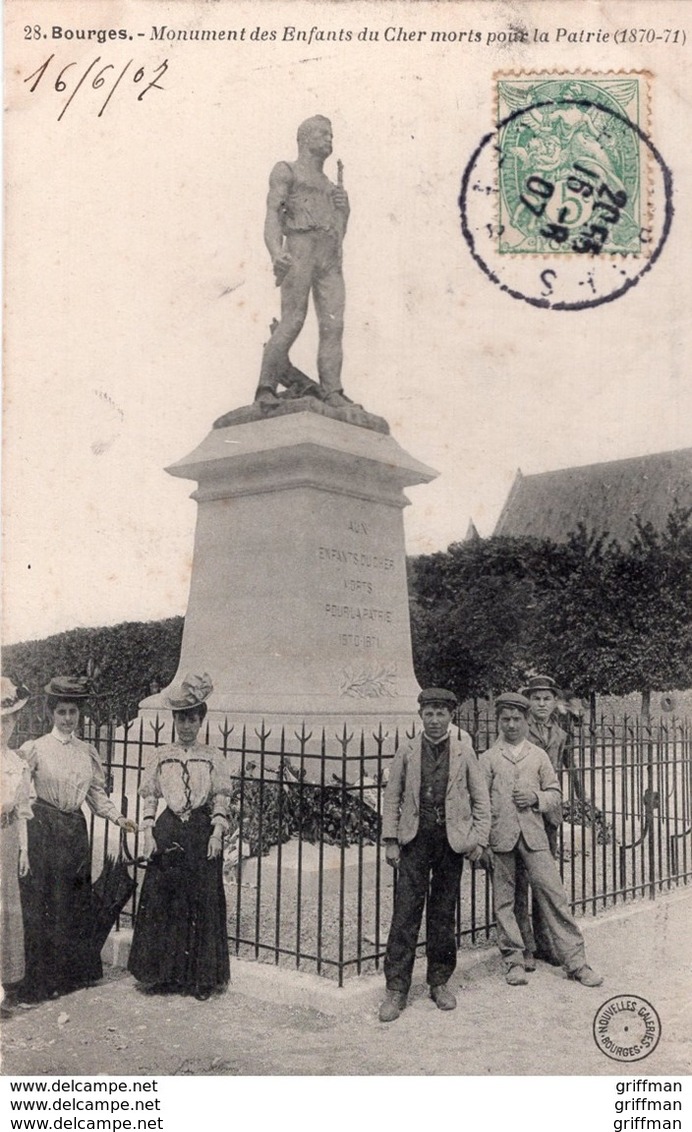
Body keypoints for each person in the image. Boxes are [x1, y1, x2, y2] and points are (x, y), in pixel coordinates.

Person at [18, 676, 137, 1003]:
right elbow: (22, 793)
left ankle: (69, 977)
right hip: (44, 830)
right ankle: (41, 981)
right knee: (43, 904)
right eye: (62, 712)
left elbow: (96, 796)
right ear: (51, 714)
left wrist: (118, 817)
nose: (68, 718)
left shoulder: (87, 752)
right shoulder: (36, 749)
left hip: (75, 833)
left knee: (72, 904)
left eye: (73, 712)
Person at [378, 688, 490, 1023]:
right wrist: (391, 840)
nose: (435, 719)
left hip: (450, 843)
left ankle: (439, 981)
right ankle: (396, 989)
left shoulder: (464, 751)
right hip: (415, 840)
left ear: (451, 716)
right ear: (420, 716)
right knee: (405, 913)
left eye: (441, 713)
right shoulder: (408, 750)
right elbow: (392, 795)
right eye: (429, 713)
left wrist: (478, 840)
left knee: (442, 914)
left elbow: (481, 799)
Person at [479, 693, 602, 988]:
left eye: (517, 719)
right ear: (498, 722)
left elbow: (555, 794)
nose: (511, 725)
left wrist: (536, 798)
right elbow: (479, 803)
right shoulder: (488, 758)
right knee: (505, 901)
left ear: (526, 720)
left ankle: (576, 961)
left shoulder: (538, 755)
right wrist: (481, 842)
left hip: (535, 837)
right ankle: (514, 961)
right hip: (501, 838)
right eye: (505, 719)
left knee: (553, 895)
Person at [128, 673, 231, 1001]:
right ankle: (161, 975)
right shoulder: (160, 755)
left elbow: (221, 797)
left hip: (200, 830)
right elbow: (150, 796)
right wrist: (148, 831)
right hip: (169, 828)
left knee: (200, 900)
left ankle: (198, 979)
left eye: (192, 719)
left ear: (201, 721)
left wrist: (217, 832)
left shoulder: (212, 756)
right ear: (174, 720)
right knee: (165, 901)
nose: (186, 726)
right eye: (181, 719)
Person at [256, 115, 351, 407]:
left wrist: (344, 210)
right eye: (323, 134)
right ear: (305, 138)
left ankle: (333, 390)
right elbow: (273, 215)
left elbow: (339, 231)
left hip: (329, 256)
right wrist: (276, 251)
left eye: (331, 135)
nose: (329, 139)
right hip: (300, 248)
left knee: (333, 326)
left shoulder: (329, 184)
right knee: (293, 319)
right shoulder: (287, 171)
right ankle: (266, 388)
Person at [514, 674, 567, 968]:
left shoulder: (559, 735)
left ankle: (546, 942)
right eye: (536, 698)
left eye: (547, 699)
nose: (542, 704)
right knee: (521, 878)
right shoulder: (521, 731)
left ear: (554, 702)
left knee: (546, 882)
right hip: (524, 813)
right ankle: (525, 946)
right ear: (529, 702)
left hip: (548, 813)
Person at [1, 679, 33, 1017]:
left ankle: (4, 984)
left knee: (6, 907)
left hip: (6, 839)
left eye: (7, 721)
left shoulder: (18, 763)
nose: (2, 728)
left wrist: (24, 849)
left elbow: (22, 810)